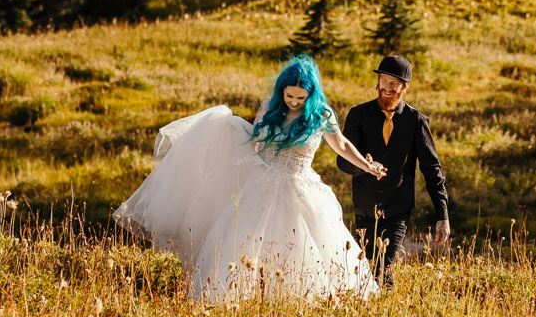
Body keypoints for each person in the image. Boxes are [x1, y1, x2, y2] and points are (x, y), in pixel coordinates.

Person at [114, 55, 387, 301]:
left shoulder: (321, 114)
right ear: (282, 90)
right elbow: (255, 142)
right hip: (263, 185)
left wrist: (367, 166)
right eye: (289, 96)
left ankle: (302, 300)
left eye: (300, 98)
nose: (293, 102)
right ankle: (243, 297)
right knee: (245, 243)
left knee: (310, 245)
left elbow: (341, 145)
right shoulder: (270, 106)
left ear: (312, 95)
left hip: (301, 187)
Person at [335, 53, 450, 284]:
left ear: (405, 87)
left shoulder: (416, 121)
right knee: (364, 271)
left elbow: (432, 171)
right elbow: (342, 161)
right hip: (364, 208)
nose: (387, 88)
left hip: (397, 210)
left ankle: (385, 315)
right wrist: (365, 167)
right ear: (377, 82)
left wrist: (443, 215)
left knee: (383, 269)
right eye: (384, 81)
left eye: (394, 83)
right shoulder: (358, 115)